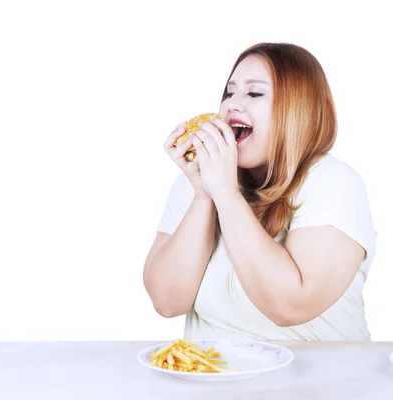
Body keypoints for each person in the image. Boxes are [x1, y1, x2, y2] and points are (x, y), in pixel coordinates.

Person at [143, 42, 377, 341]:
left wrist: (226, 195)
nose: (231, 105)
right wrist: (204, 194)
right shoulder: (198, 183)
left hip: (319, 382)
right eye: (229, 92)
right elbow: (167, 301)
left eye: (254, 93)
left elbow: (290, 307)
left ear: (298, 111)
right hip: (215, 379)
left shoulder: (332, 181)